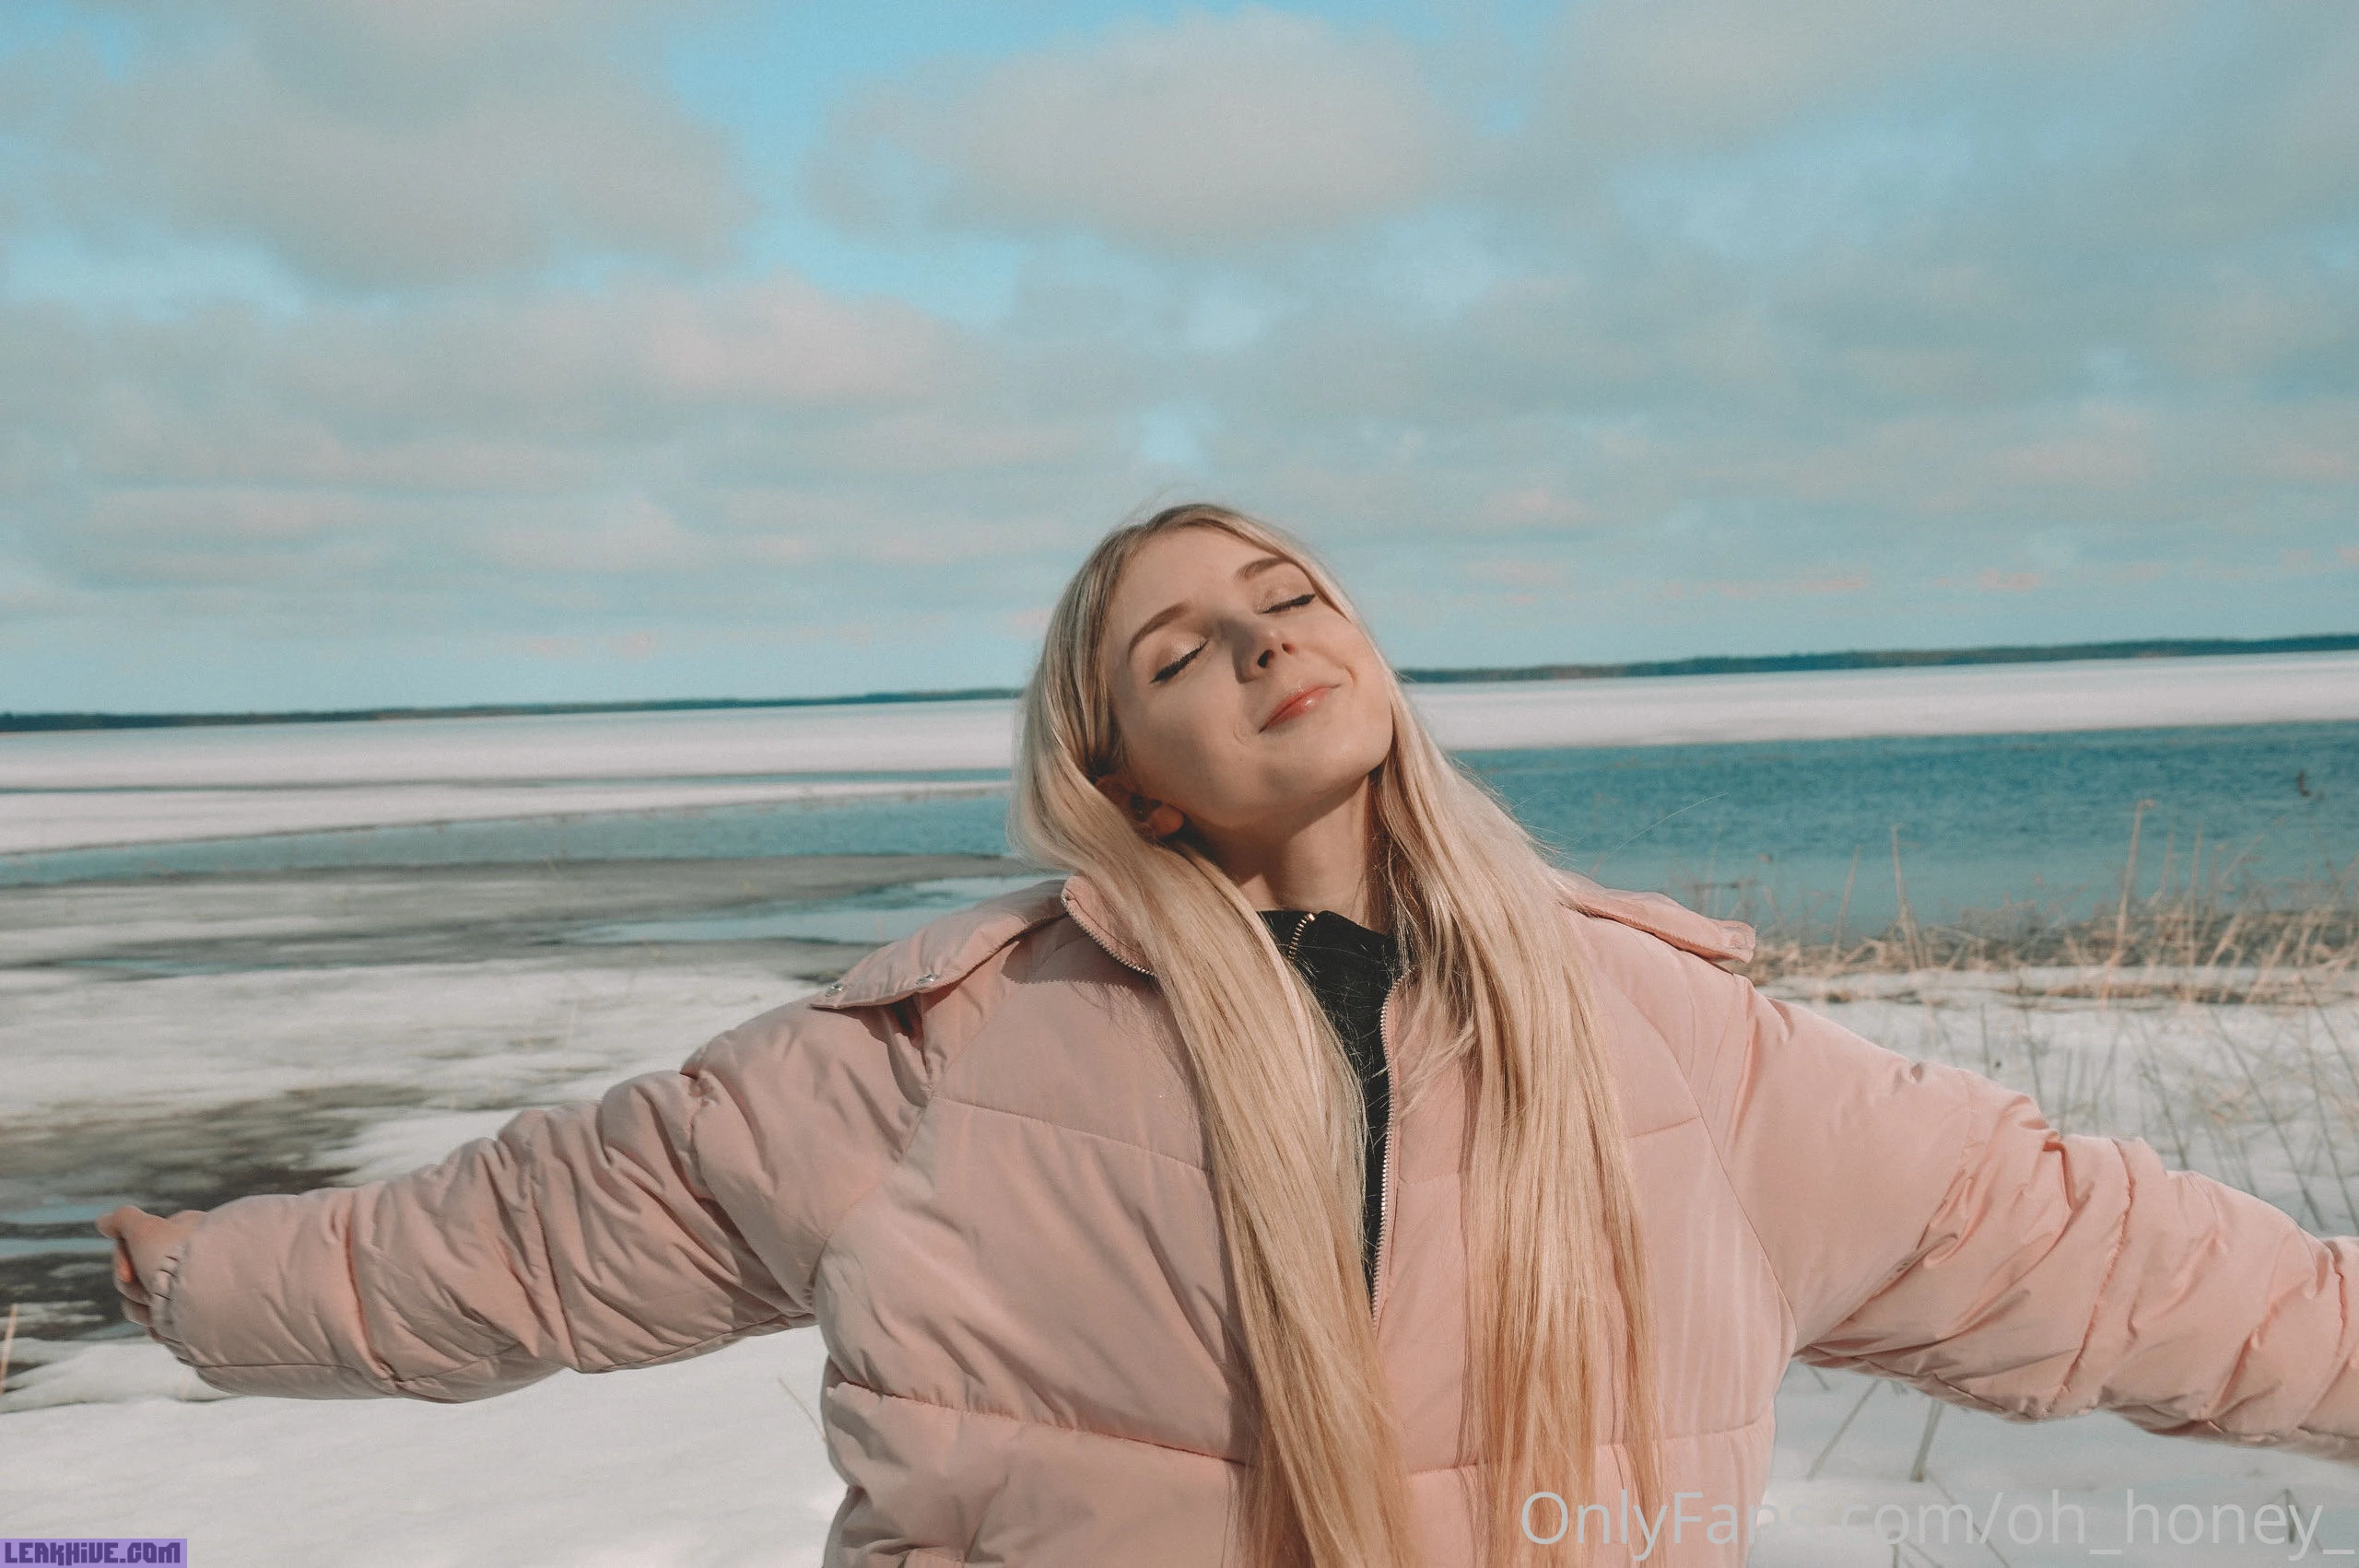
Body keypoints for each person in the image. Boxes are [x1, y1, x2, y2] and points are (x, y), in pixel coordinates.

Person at [99, 502, 2359, 1567]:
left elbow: (2101, 1256)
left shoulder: (1670, 1044)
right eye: (1180, 645)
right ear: (1125, 774)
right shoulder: (941, 1057)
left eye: (1287, 594)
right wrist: (200, 1280)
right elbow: (530, 1235)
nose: (1263, 638)